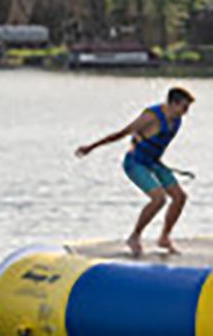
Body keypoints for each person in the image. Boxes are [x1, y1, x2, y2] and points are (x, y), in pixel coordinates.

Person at [75, 86, 195, 257]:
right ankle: (134, 237)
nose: (186, 112)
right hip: (135, 163)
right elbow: (121, 134)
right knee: (158, 199)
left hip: (153, 162)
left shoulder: (176, 119)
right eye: (184, 107)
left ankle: (164, 238)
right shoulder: (150, 117)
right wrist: (91, 147)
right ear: (173, 104)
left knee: (180, 197)